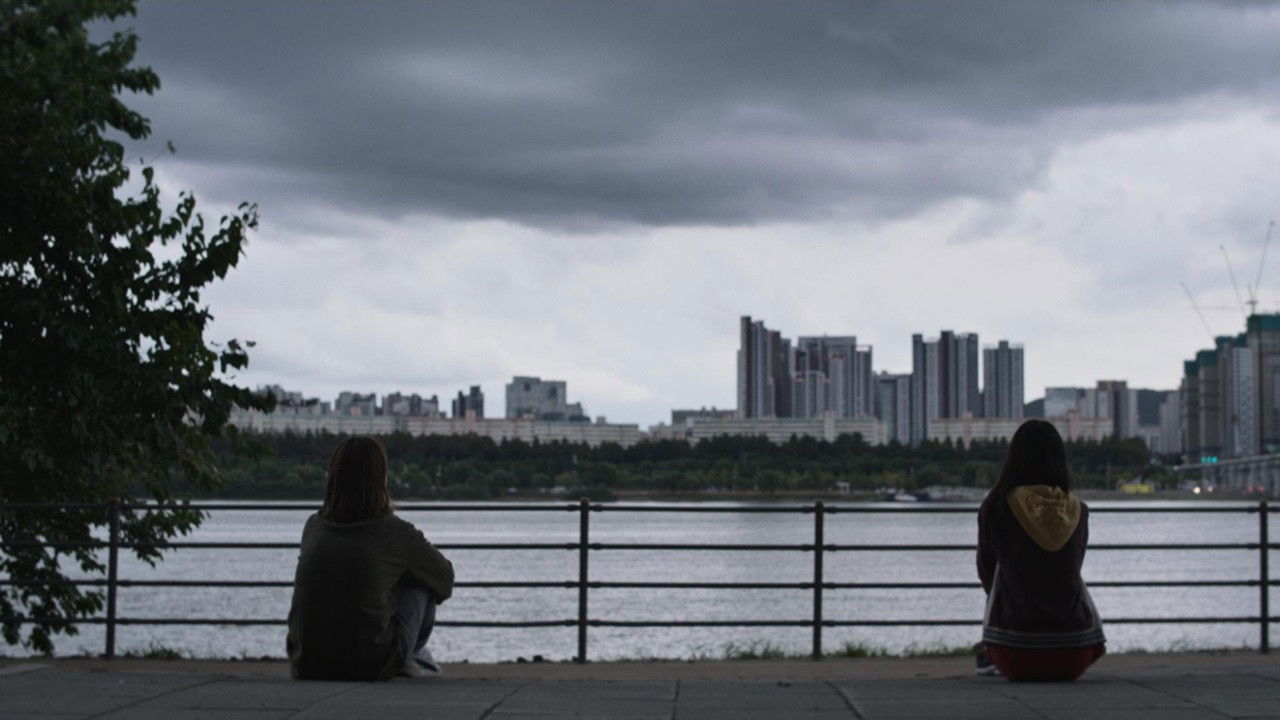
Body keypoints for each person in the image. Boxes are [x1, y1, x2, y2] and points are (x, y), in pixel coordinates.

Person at [286, 436, 454, 681]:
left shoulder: (314, 526)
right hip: (368, 665)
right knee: (422, 582)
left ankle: (410, 658)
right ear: (380, 478)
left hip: (307, 663)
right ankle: (412, 658)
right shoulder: (395, 532)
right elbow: (444, 579)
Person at [975, 419, 1105, 682]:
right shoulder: (1077, 511)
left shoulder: (997, 505)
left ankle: (990, 655)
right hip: (1074, 654)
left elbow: (986, 571)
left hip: (1014, 654)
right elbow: (1072, 566)